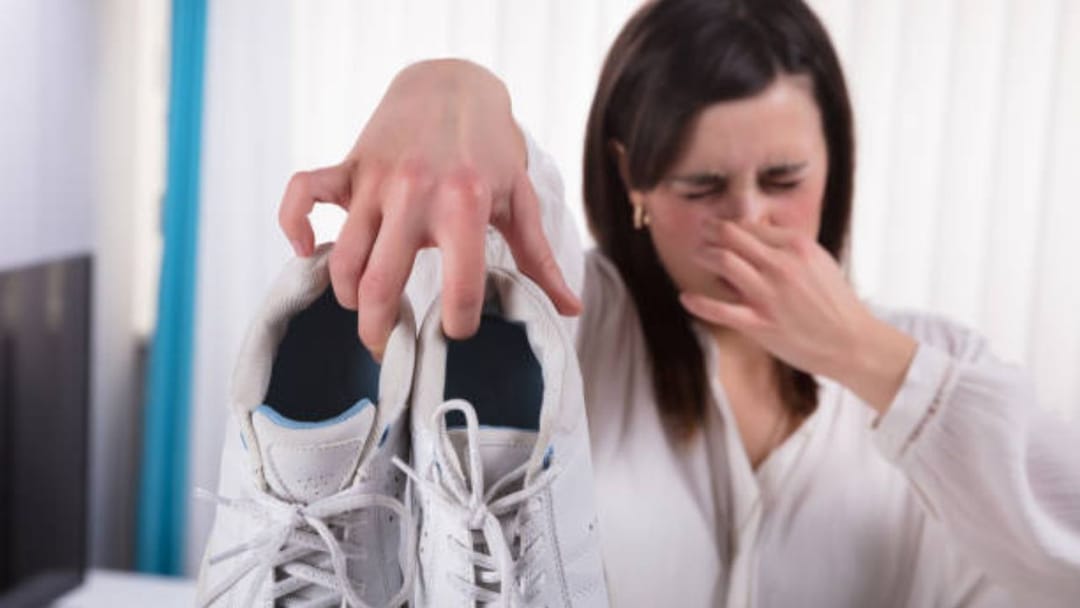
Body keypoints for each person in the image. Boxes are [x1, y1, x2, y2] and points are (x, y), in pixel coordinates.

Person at [276, 0, 1080, 605]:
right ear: (635, 180)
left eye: (785, 179)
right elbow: (501, 213)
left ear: (833, 162)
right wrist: (448, 88)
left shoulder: (934, 364)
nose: (749, 219)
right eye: (702, 187)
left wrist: (867, 358)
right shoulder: (580, 322)